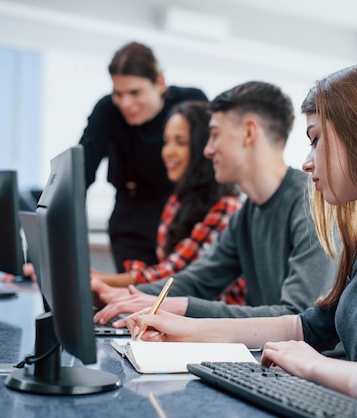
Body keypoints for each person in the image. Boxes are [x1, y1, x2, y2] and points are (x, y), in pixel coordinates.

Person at [121, 65, 357, 417]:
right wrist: (190, 330)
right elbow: (307, 327)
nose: (306, 162)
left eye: (316, 139)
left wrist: (311, 365)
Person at [92, 81, 338, 324]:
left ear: (249, 133)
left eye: (215, 135)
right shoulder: (246, 215)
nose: (207, 150)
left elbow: (299, 317)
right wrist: (124, 295)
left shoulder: (312, 202)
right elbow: (198, 280)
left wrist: (184, 307)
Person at [90, 101, 245, 305]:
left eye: (180, 142)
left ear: (203, 148)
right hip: (181, 311)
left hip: (217, 320)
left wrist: (96, 280)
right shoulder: (176, 202)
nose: (168, 152)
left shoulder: (227, 207)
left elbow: (177, 274)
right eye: (166, 142)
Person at [80, 41, 209, 272]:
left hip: (182, 215)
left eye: (135, 92)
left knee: (175, 292)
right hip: (131, 218)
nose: (125, 103)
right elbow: (79, 175)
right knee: (136, 294)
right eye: (118, 93)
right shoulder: (107, 110)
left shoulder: (190, 103)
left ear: (159, 82)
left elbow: (210, 165)